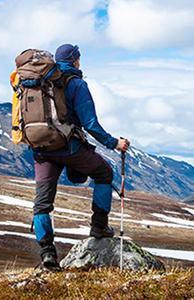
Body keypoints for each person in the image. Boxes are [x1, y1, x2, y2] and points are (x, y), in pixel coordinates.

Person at [32, 44, 130, 270]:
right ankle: (99, 226)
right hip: (70, 148)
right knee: (104, 173)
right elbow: (90, 124)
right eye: (79, 59)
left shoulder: (39, 83)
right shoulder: (77, 84)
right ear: (75, 60)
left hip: (42, 150)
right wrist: (114, 143)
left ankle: (47, 255)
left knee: (42, 204)